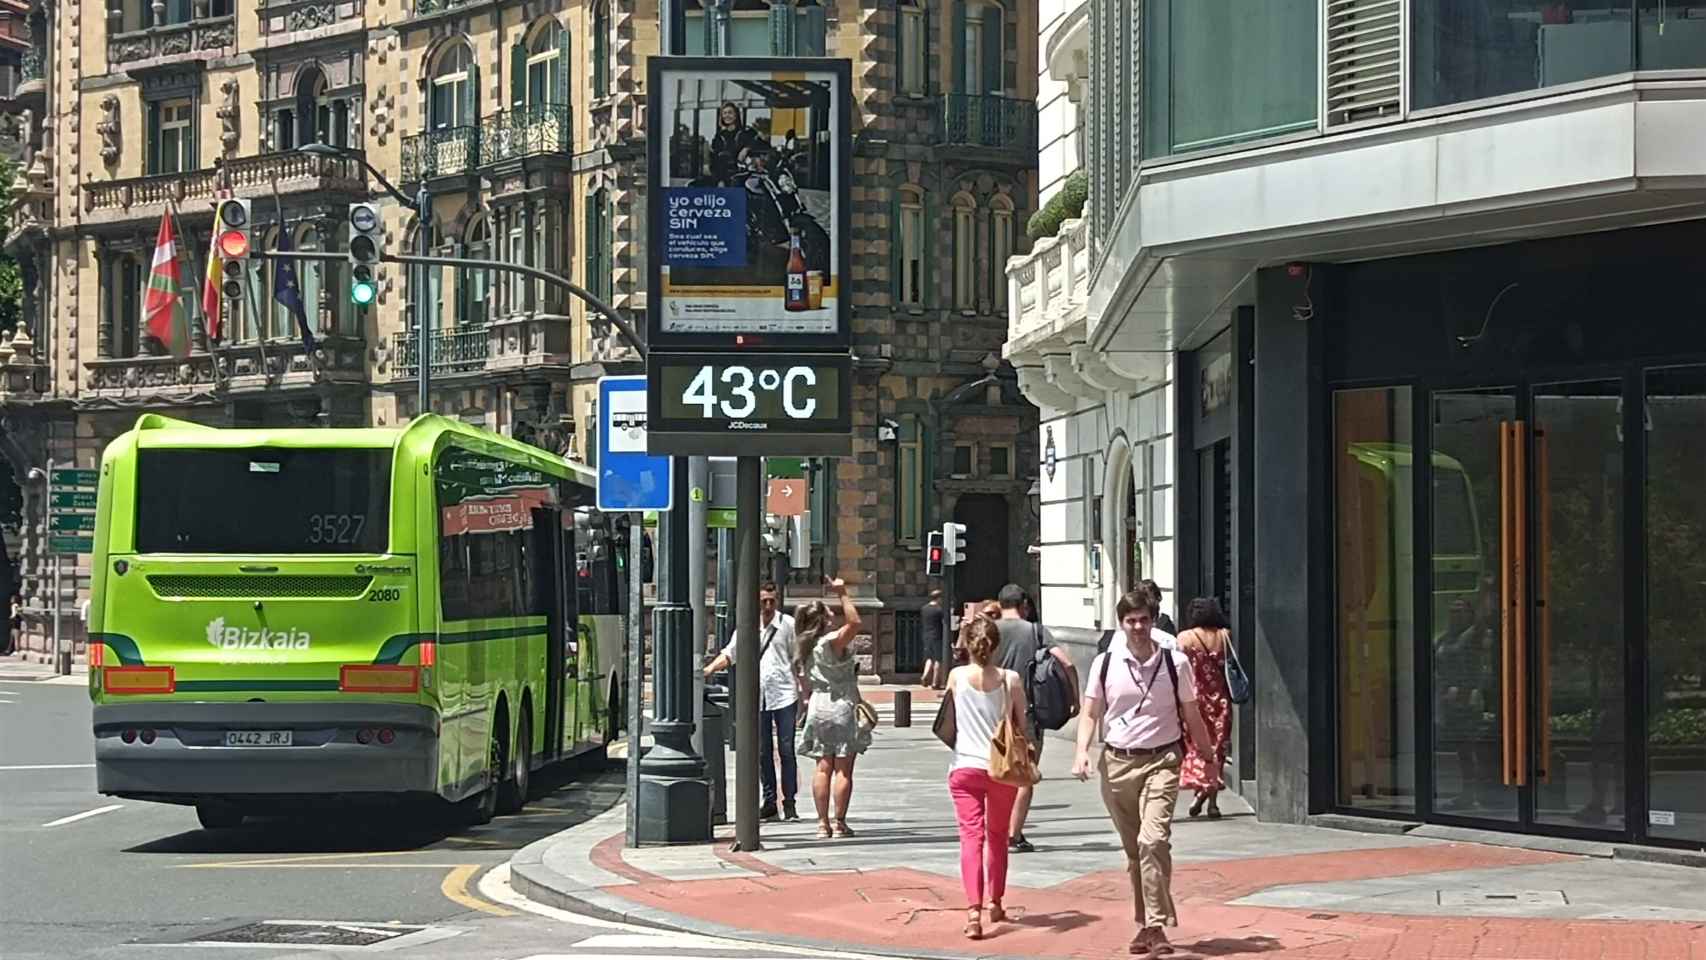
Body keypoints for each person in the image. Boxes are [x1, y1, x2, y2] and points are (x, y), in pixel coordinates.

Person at [1073, 589, 1212, 957]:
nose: (1137, 627)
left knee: (1152, 841)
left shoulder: (1174, 663)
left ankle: (1157, 926)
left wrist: (1208, 754)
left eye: (1144, 620)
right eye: (1131, 621)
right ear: (1121, 624)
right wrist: (1081, 752)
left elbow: (1191, 713)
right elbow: (1090, 712)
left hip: (1162, 760)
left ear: (1153, 622)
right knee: (1136, 852)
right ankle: (1145, 925)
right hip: (1117, 764)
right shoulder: (1105, 663)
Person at [944, 615, 1029, 941]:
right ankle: (995, 901)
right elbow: (1021, 725)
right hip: (1001, 770)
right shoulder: (1011, 680)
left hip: (964, 766)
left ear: (967, 643)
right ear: (996, 646)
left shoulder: (956, 676)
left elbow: (949, 718)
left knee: (971, 838)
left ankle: (972, 912)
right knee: (997, 837)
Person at [703, 581, 800, 821]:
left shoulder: (788, 625)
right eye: (764, 601)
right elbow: (730, 653)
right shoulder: (747, 626)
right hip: (758, 696)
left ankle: (789, 802)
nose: (768, 605)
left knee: (786, 749)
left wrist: (805, 693)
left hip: (785, 694)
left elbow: (799, 658)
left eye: (772, 601)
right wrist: (709, 670)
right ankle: (769, 802)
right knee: (763, 751)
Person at [994, 584, 1078, 854]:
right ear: (1024, 606)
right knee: (1025, 775)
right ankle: (1014, 834)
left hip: (992, 713)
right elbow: (1067, 663)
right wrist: (1073, 698)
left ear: (1000, 604)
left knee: (995, 772)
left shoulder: (989, 631)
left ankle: (995, 830)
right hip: (1026, 712)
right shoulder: (1036, 631)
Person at [795, 576, 868, 839]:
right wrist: (843, 593)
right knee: (843, 767)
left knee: (822, 765)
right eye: (829, 614)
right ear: (823, 620)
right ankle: (839, 823)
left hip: (818, 704)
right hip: (840, 704)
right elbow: (855, 623)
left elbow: (803, 684)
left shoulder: (804, 646)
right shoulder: (830, 643)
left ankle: (821, 823)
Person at [1177, 597, 1234, 819]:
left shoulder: (1186, 637)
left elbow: (1177, 665)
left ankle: (1200, 791)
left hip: (1195, 701)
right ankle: (1211, 803)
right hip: (1220, 701)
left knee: (1198, 747)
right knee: (1217, 749)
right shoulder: (1225, 635)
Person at [709, 101, 767, 184]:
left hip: (746, 176)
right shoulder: (719, 137)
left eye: (730, 112)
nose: (727, 115)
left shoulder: (747, 132)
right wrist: (719, 180)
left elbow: (763, 146)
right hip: (725, 177)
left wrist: (747, 148)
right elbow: (714, 161)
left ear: (736, 115)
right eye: (724, 113)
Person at [918, 589, 950, 690]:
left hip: (926, 635)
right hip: (937, 636)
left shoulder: (924, 608)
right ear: (939, 598)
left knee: (929, 657)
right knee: (938, 659)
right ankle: (935, 682)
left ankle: (925, 675)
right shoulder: (939, 610)